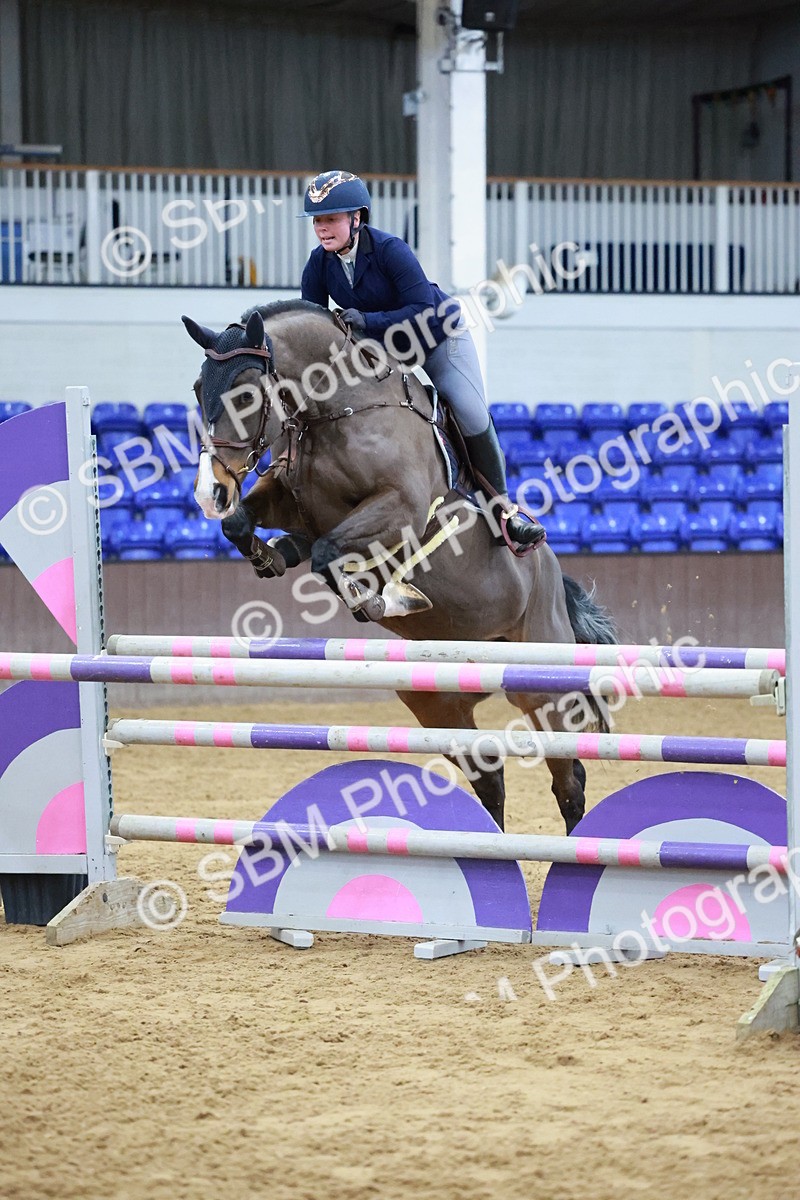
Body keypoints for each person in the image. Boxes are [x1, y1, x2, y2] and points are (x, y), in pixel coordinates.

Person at [299, 170, 545, 549]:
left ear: (356, 218)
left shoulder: (390, 250)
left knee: (470, 412)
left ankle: (504, 514)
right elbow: (314, 324)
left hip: (436, 338)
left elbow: (423, 308)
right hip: (384, 351)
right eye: (317, 220)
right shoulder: (319, 264)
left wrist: (367, 321)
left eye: (330, 219)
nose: (322, 228)